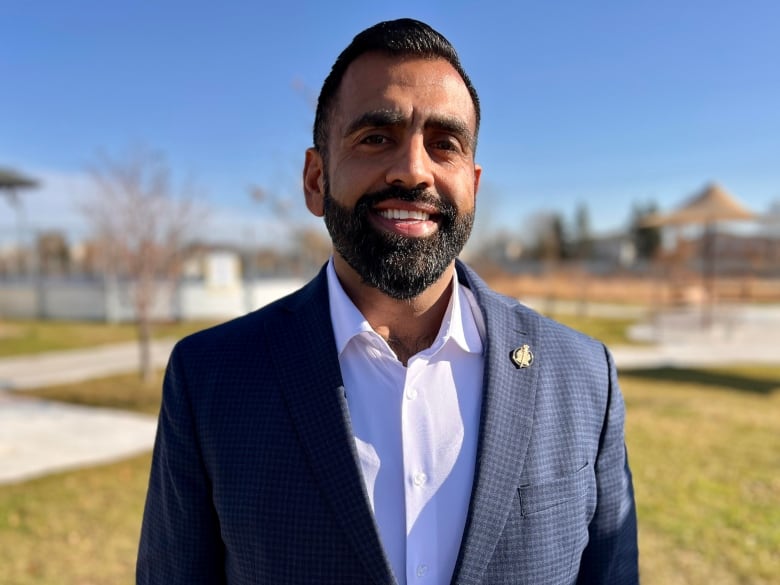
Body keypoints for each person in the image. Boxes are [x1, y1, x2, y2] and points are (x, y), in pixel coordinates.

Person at [137, 18, 638, 585]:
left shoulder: (581, 377)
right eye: (376, 138)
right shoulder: (212, 379)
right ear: (315, 178)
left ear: (472, 185)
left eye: (443, 145)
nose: (413, 170)